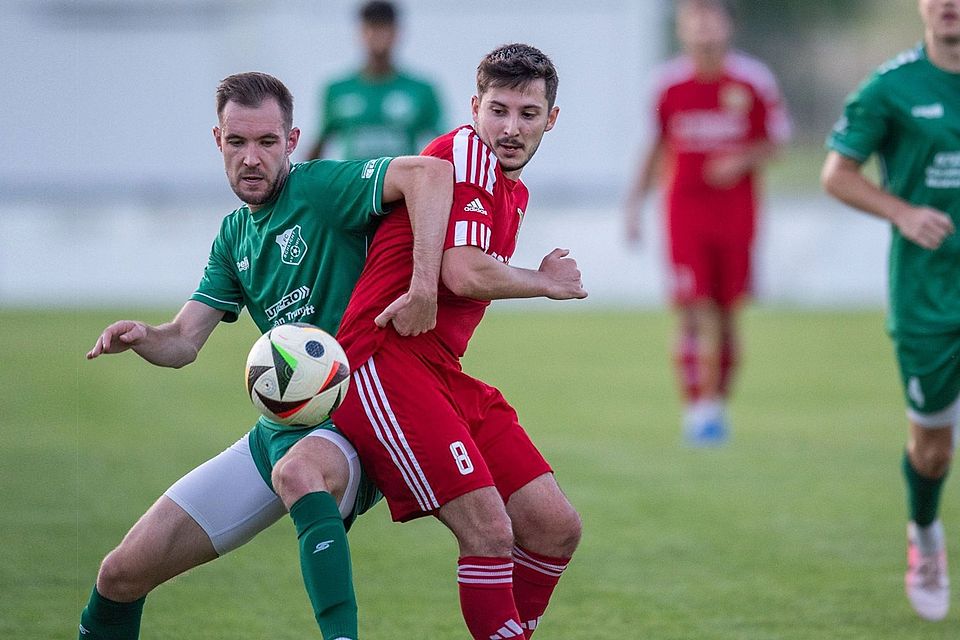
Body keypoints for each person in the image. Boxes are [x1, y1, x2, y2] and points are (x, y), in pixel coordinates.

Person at [77, 71, 453, 639]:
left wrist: (424, 285)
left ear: (293, 140)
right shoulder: (234, 235)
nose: (251, 159)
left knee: (300, 472)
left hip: (355, 423)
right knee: (120, 573)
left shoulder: (322, 189)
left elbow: (430, 173)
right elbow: (184, 341)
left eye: (266, 142)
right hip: (279, 429)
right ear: (217, 141)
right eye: (237, 143)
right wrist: (145, 337)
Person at [332, 43, 585, 640]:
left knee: (554, 526)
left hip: (442, 371)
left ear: (552, 118)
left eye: (528, 113)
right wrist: (543, 282)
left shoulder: (512, 191)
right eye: (498, 109)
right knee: (490, 531)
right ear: (474, 107)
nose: (510, 127)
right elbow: (464, 271)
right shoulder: (467, 151)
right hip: (383, 360)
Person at [821, 0, 960, 622]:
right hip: (927, 296)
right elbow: (836, 174)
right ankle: (926, 537)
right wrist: (902, 212)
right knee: (932, 447)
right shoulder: (890, 87)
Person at [622, 0, 790, 444]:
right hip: (684, 213)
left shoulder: (752, 80)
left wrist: (740, 159)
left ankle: (718, 402)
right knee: (692, 310)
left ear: (728, 25)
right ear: (682, 28)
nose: (703, 27)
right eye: (694, 19)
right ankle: (699, 409)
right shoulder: (667, 84)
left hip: (737, 216)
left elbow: (777, 141)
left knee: (728, 314)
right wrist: (633, 207)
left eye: (711, 18)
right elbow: (653, 147)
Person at [306, 0, 443, 161]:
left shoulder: (421, 90)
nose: (378, 35)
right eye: (372, 27)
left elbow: (444, 143)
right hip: (353, 184)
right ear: (360, 32)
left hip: (401, 184)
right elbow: (319, 145)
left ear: (396, 33)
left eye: (384, 27)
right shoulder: (337, 90)